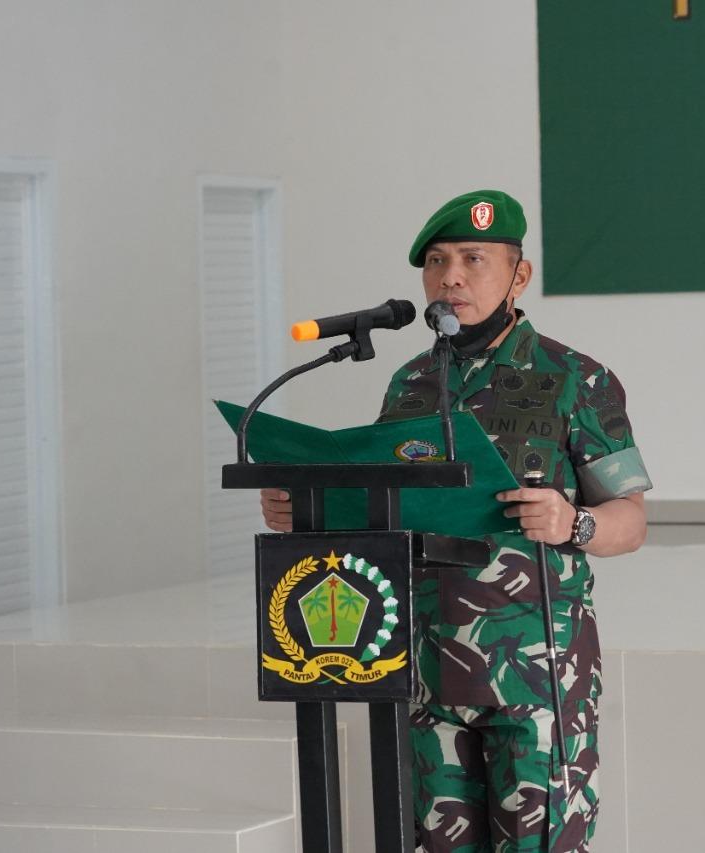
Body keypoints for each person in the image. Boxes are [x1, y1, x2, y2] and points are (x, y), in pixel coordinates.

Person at [261, 189, 651, 852]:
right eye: (437, 262)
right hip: (424, 669)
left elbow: (631, 521)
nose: (451, 277)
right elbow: (383, 509)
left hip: (536, 677)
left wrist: (573, 523)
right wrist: (306, 509)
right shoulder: (410, 383)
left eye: (473, 259)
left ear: (519, 276)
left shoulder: (576, 379)